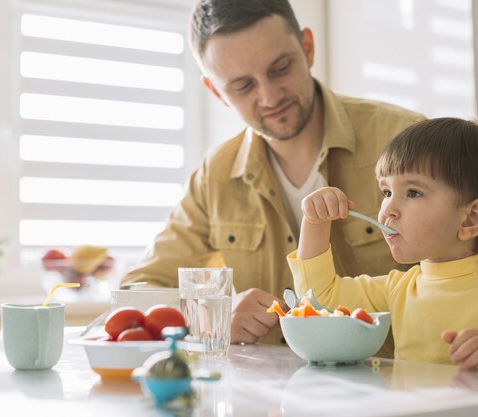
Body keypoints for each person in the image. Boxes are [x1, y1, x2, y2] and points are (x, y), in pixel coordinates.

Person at [120, 0, 424, 348]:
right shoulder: (215, 177)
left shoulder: (408, 141)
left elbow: (471, 276)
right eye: (242, 86)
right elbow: (136, 293)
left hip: (400, 388)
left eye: (280, 68)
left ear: (307, 48)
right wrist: (211, 313)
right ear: (216, 92)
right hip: (271, 397)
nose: (269, 96)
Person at [288, 117, 478, 376]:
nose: (387, 210)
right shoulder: (398, 288)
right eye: (386, 192)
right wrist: (315, 223)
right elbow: (318, 298)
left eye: (413, 193)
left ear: (471, 218)